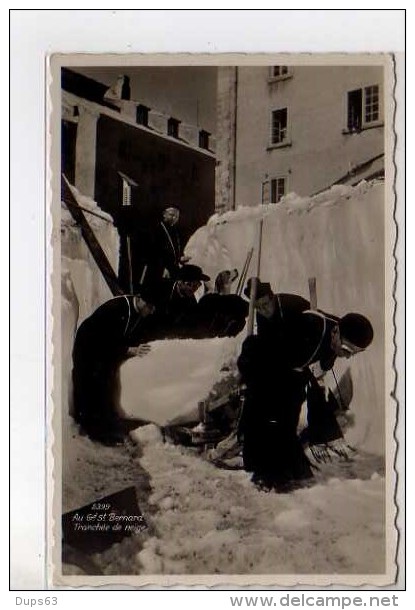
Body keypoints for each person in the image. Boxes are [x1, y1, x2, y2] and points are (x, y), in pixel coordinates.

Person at [237, 278, 374, 491]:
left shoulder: (336, 334)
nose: (346, 356)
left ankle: (289, 467)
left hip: (292, 371)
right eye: (346, 350)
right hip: (264, 362)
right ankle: (264, 471)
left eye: (353, 353)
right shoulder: (310, 328)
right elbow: (272, 353)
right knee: (269, 417)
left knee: (288, 419)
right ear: (336, 331)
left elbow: (316, 363)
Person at [72, 290, 157, 445]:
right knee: (91, 384)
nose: (150, 312)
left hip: (105, 350)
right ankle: (90, 431)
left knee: (107, 384)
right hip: (88, 346)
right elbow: (103, 339)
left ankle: (105, 428)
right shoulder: (116, 309)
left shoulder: (138, 313)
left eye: (153, 309)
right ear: (139, 299)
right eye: (149, 307)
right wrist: (127, 350)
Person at [145, 206, 190, 286]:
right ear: (164, 214)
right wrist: (162, 268)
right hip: (160, 271)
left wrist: (179, 258)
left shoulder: (175, 231)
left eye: (177, 217)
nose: (174, 218)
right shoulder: (157, 230)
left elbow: (173, 251)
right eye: (171, 215)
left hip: (172, 270)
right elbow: (154, 253)